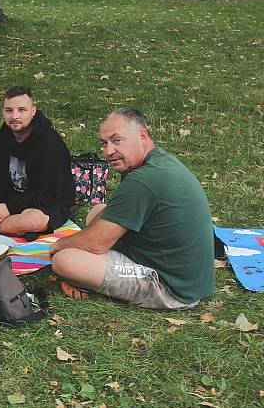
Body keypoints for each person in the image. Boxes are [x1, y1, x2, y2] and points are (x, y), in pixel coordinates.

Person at [49, 107, 214, 309]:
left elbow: (95, 244)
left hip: (171, 287)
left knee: (64, 260)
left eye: (117, 140)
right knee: (96, 211)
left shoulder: (143, 180)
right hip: (181, 270)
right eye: (104, 144)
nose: (109, 151)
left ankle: (86, 282)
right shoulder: (157, 162)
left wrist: (58, 246)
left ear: (142, 136)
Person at [0, 86, 74, 237]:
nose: (15, 116)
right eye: (9, 110)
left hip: (43, 204)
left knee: (31, 220)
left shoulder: (51, 144)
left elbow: (48, 196)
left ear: (33, 111)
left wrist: (9, 208)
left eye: (22, 110)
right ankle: (4, 225)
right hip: (9, 196)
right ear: (3, 112)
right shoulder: (0, 138)